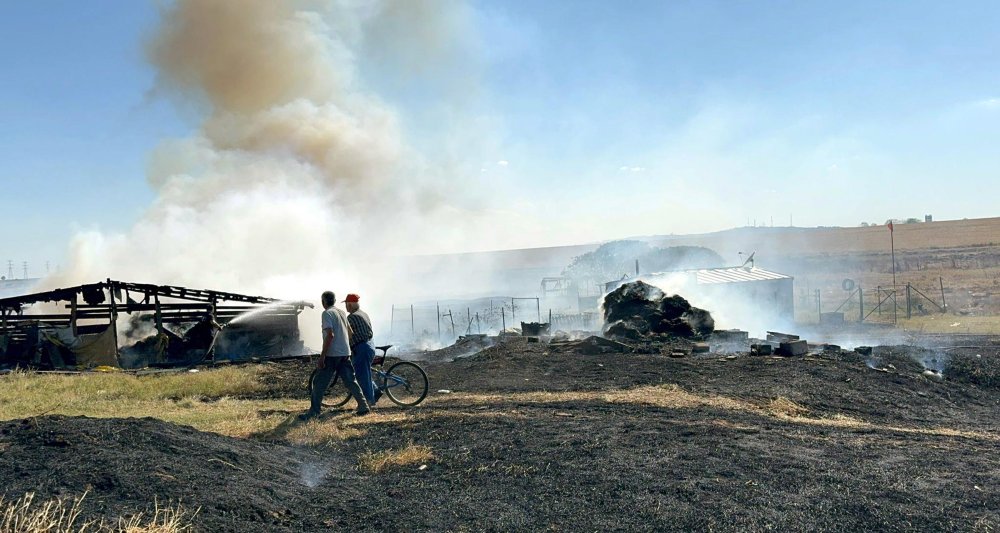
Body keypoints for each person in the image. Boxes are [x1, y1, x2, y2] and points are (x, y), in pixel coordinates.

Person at [300, 291, 369, 419]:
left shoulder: (327, 313)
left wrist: (322, 357)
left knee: (319, 383)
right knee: (351, 381)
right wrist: (345, 347)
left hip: (332, 355)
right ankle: (363, 405)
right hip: (345, 353)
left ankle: (314, 412)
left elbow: (330, 335)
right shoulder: (342, 313)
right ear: (335, 300)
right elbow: (350, 332)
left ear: (323, 302)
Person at [344, 293, 379, 405]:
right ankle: (376, 391)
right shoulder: (364, 314)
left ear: (350, 304)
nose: (346, 306)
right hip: (369, 345)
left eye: (347, 304)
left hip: (362, 348)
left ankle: (369, 401)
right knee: (365, 372)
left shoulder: (352, 317)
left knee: (361, 376)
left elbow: (347, 334)